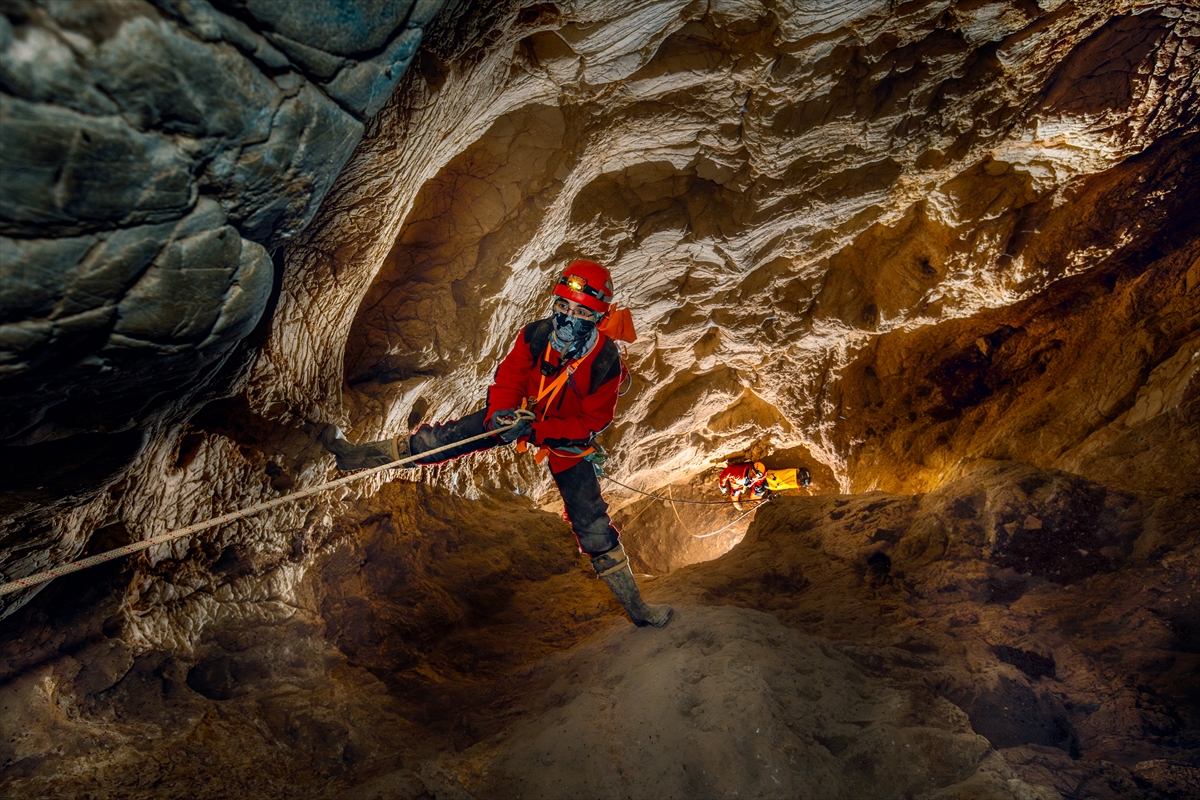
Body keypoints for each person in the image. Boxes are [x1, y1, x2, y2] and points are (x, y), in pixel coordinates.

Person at [320, 260, 672, 628]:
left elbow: (591, 422)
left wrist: (536, 432)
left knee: (592, 524)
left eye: (582, 311)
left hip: (564, 441)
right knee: (440, 439)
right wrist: (501, 415)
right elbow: (510, 375)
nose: (568, 318)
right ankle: (353, 457)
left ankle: (639, 611)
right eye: (563, 307)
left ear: (598, 317)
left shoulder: (605, 362)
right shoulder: (536, 334)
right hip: (518, 414)